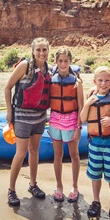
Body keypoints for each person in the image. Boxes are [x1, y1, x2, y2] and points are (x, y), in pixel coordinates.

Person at [5, 37, 51, 206]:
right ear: (33, 51)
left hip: (40, 117)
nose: (41, 53)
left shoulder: (48, 69)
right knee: (21, 153)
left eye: (44, 50)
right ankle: (11, 190)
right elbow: (7, 87)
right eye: (38, 50)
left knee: (34, 150)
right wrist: (10, 111)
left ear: (48, 51)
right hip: (22, 117)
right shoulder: (24, 66)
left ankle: (33, 185)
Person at [80, 66, 110, 217]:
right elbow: (83, 119)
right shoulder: (91, 99)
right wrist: (87, 104)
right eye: (100, 80)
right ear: (95, 81)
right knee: (95, 175)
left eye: (107, 80)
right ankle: (96, 201)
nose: (103, 83)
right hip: (95, 144)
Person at [48, 48, 84, 203]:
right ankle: (59, 186)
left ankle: (75, 187)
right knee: (57, 155)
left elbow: (81, 106)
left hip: (71, 120)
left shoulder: (77, 82)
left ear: (70, 62)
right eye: (60, 61)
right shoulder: (50, 80)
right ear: (56, 62)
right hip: (55, 119)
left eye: (66, 61)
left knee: (74, 155)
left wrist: (78, 127)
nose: (63, 64)